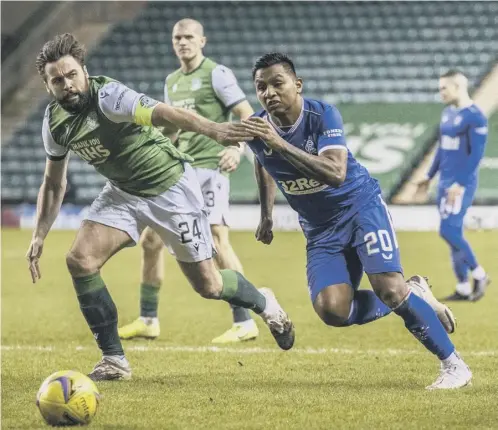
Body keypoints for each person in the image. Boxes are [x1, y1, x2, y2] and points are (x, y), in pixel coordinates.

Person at [26, 34, 295, 382]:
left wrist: (216, 131)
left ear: (84, 71)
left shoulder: (108, 95)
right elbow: (53, 183)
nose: (67, 84)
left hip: (170, 188)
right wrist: (39, 234)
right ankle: (114, 360)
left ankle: (265, 303)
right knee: (80, 260)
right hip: (123, 193)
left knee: (209, 286)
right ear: (48, 87)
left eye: (72, 74)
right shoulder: (54, 124)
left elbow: (165, 112)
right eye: (57, 80)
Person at [239, 52, 471, 390]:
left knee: (389, 289)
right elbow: (262, 161)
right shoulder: (259, 130)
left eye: (277, 83)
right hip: (320, 229)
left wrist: (280, 145)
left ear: (297, 84)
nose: (269, 93)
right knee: (333, 311)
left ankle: (454, 366)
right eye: (261, 88)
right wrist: (266, 215)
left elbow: (335, 173)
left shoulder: (322, 115)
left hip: (360, 208)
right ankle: (415, 291)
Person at [118, 19, 259, 344]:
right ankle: (148, 319)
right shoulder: (172, 82)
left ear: (202, 41)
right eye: (177, 37)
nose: (183, 42)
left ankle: (244, 320)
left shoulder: (216, 74)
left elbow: (246, 114)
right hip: (180, 172)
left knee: (216, 238)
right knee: (151, 240)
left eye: (189, 37)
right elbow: (173, 129)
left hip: (211, 167)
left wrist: (238, 149)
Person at [414, 70, 490, 302]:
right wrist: (429, 175)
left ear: (458, 86)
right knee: (453, 234)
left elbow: (476, 155)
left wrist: (460, 183)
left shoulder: (476, 117)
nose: (441, 93)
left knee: (448, 230)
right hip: (444, 183)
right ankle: (463, 287)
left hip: (460, 184)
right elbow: (441, 149)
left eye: (444, 88)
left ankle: (480, 274)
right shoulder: (448, 113)